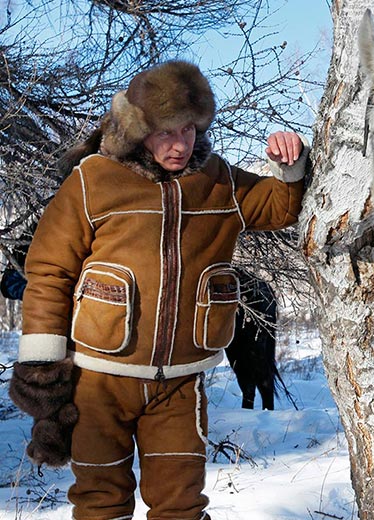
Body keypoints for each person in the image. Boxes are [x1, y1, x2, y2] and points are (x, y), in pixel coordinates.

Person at [8, 60, 309, 520]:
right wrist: (44, 367)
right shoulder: (93, 181)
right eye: (168, 132)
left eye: (189, 130)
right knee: (100, 505)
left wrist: (289, 165)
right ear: (140, 129)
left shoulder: (218, 182)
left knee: (180, 507)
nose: (180, 144)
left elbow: (279, 207)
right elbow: (49, 272)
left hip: (179, 385)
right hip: (98, 380)